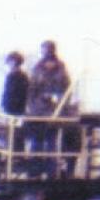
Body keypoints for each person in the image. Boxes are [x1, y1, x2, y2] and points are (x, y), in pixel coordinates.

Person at [27, 40, 71, 178]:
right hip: (38, 111)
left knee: (52, 141)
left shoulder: (61, 68)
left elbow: (67, 88)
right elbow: (31, 89)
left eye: (48, 49)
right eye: (44, 49)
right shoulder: (37, 68)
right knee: (37, 141)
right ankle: (35, 172)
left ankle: (52, 172)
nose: (46, 52)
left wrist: (61, 104)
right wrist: (33, 106)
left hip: (54, 111)